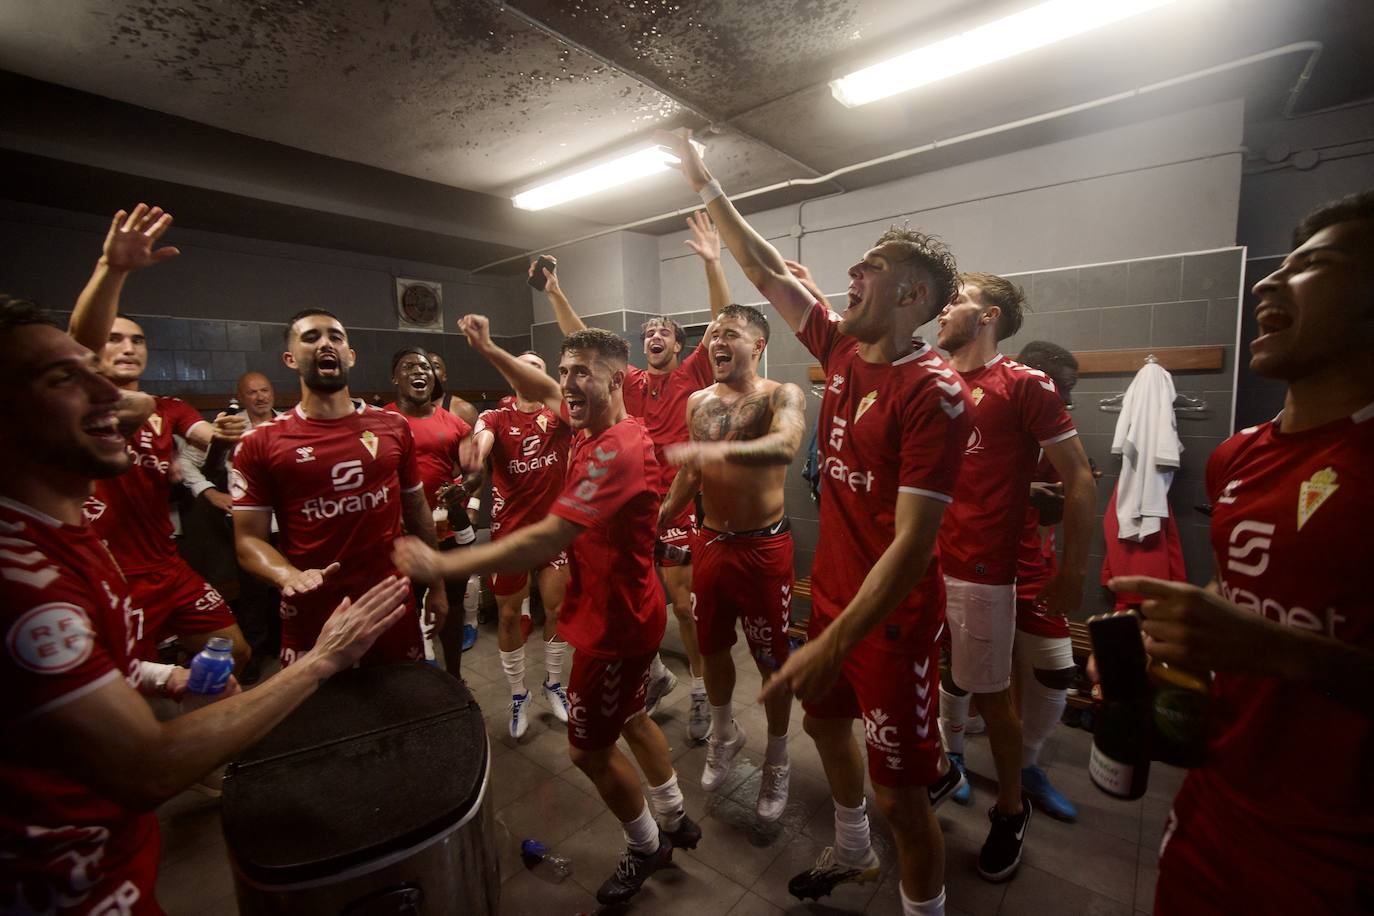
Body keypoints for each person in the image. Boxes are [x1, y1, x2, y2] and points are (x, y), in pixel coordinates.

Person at [0, 296, 412, 914]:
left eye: (337, 334)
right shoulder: (22, 579)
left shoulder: (69, 538)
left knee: (396, 716)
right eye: (68, 376)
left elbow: (87, 668)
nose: (118, 391)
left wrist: (164, 674)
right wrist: (314, 646)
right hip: (64, 887)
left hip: (119, 864)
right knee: (323, 730)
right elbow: (146, 765)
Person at [658, 129, 970, 915]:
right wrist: (705, 180)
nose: (854, 270)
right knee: (829, 729)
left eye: (876, 265)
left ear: (915, 298)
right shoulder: (842, 351)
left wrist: (833, 640)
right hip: (830, 594)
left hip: (893, 622)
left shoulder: (933, 392)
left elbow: (912, 544)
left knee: (907, 799)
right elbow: (762, 268)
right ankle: (854, 847)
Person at [1111, 191, 1374, 913]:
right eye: (1276, 268)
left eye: (1315, 265)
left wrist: (1277, 649)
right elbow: (1241, 596)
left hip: (1343, 851)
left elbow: (1272, 638)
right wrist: (1181, 640)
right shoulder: (1238, 459)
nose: (1266, 281)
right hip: (1217, 808)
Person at [394, 316, 701, 906]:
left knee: (588, 750)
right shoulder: (603, 421)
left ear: (616, 382)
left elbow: (547, 539)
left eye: (581, 374)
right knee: (634, 719)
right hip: (625, 610)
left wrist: (445, 566)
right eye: (563, 373)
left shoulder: (616, 450)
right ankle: (676, 816)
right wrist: (488, 349)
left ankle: (646, 846)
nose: (567, 385)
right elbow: (540, 391)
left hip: (615, 627)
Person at [536, 210, 728, 739]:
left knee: (683, 607)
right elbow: (585, 342)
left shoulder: (693, 373)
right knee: (625, 600)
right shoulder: (632, 381)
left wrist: (713, 262)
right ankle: (656, 673)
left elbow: (721, 325)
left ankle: (700, 693)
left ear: (679, 342)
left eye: (663, 331)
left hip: (677, 505)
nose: (653, 336)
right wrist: (555, 291)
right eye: (647, 332)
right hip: (630, 507)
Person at [932, 274, 1094, 881]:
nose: (943, 308)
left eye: (958, 298)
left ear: (989, 315)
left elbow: (1078, 477)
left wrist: (1074, 569)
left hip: (986, 569)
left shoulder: (1022, 383)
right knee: (939, 674)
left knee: (995, 694)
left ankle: (1010, 806)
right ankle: (945, 765)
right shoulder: (934, 380)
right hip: (927, 560)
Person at [65, 204, 251, 671]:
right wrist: (113, 269)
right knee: (123, 680)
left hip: (165, 564)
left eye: (138, 340)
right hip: (103, 571)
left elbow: (206, 434)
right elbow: (78, 345)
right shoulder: (73, 402)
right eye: (115, 339)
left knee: (234, 655)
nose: (128, 347)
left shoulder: (168, 407)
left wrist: (227, 433)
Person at [656, 303, 806, 822]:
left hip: (763, 548)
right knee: (712, 646)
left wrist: (715, 455)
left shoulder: (781, 394)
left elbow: (787, 445)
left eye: (732, 334)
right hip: (710, 542)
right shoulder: (698, 401)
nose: (718, 341)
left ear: (757, 345)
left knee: (772, 661)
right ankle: (724, 733)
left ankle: (778, 759)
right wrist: (660, 516)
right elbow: (692, 475)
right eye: (714, 334)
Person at [231, 308, 445, 667]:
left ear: (350, 355)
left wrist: (436, 585)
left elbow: (416, 509)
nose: (325, 344)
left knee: (402, 708)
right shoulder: (261, 442)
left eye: (336, 337)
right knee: (326, 717)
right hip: (314, 610)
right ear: (290, 358)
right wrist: (288, 575)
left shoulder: (392, 427)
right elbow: (248, 540)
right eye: (311, 337)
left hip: (389, 600)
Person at [466, 346, 573, 738]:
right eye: (522, 367)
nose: (529, 373)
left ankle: (553, 684)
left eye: (538, 368)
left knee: (558, 608)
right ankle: (518, 694)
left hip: (554, 532)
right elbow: (483, 442)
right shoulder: (494, 415)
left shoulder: (559, 414)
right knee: (510, 616)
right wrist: (475, 463)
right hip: (510, 533)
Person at [1008, 341, 1085, 823]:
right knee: (966, 666)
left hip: (1036, 567)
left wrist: (1058, 495)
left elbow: (1077, 485)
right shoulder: (988, 414)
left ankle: (1027, 763)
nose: (1069, 398)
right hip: (979, 561)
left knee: (1056, 667)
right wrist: (1023, 491)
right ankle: (950, 753)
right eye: (1065, 387)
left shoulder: (1056, 431)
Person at [178, 371, 284, 684]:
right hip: (248, 525)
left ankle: (282, 649)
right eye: (253, 392)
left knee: (286, 592)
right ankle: (253, 657)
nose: (261, 397)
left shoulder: (288, 424)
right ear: (242, 396)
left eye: (265, 390)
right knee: (253, 594)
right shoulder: (228, 428)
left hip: (287, 522)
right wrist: (210, 492)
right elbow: (186, 462)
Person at [384, 346, 478, 677]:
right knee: (402, 612)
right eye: (408, 366)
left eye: (425, 367)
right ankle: (414, 680)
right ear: (395, 377)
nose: (419, 371)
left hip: (444, 532)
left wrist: (464, 488)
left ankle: (454, 678)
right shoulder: (383, 421)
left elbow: (474, 470)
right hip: (400, 536)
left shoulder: (454, 423)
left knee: (450, 609)